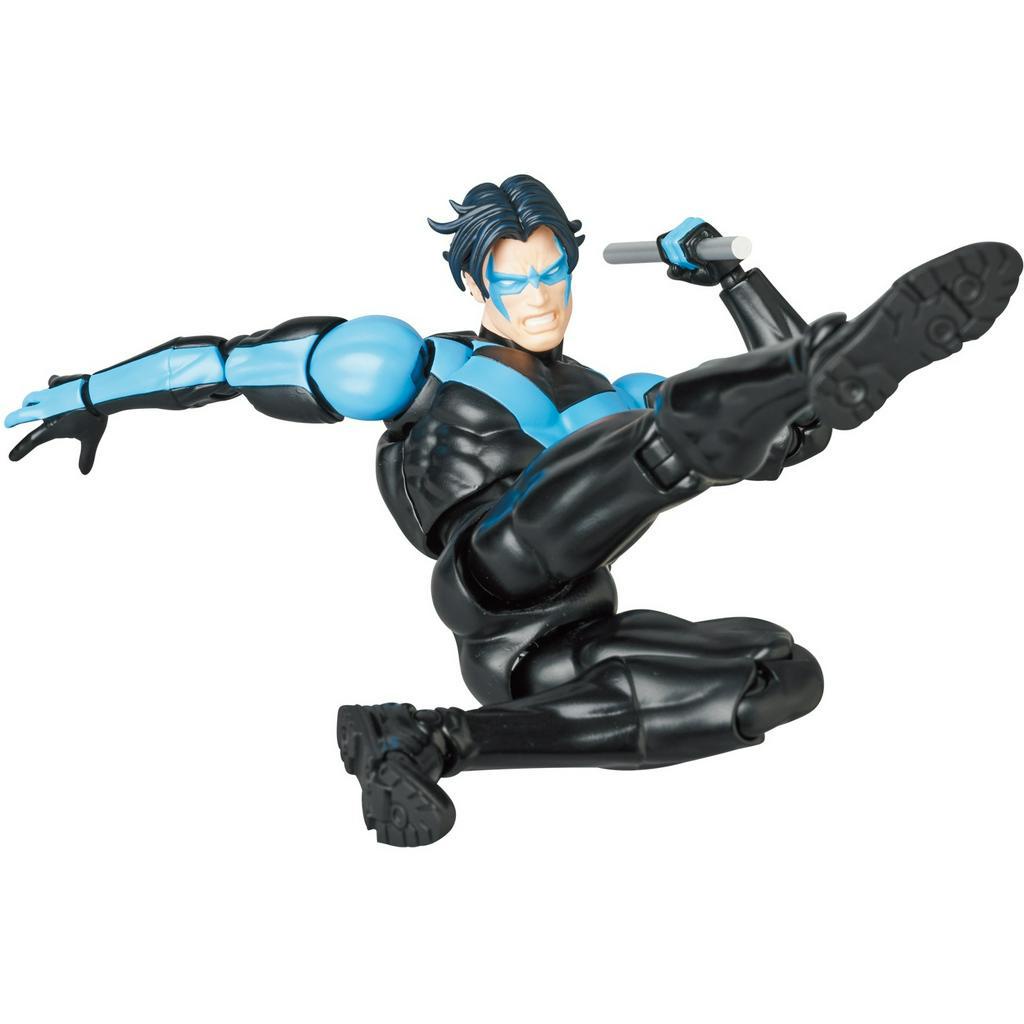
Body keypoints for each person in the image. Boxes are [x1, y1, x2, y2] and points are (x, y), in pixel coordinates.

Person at [7, 174, 1020, 847]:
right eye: (514, 279)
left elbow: (797, 434)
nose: (539, 297)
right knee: (665, 433)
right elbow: (227, 366)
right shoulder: (411, 363)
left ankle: (424, 740)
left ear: (572, 268)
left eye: (553, 274)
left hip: (553, 646)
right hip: (489, 574)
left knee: (778, 678)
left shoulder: (611, 396)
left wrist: (736, 278)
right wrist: (87, 393)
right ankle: (817, 356)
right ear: (472, 282)